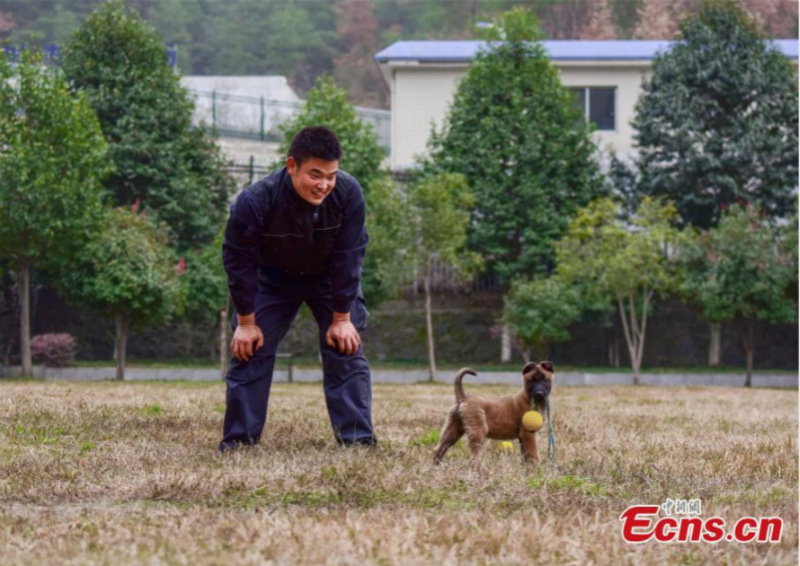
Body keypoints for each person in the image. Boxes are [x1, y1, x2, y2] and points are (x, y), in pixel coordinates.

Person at [219, 126, 376, 452]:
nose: (324, 185)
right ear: (292, 166)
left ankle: (357, 442)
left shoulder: (348, 193)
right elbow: (239, 262)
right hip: (272, 280)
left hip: (329, 279)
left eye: (331, 176)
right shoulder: (256, 201)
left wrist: (342, 317)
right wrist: (247, 323)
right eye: (315, 175)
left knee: (344, 345)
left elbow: (350, 256)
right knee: (251, 349)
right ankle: (239, 443)